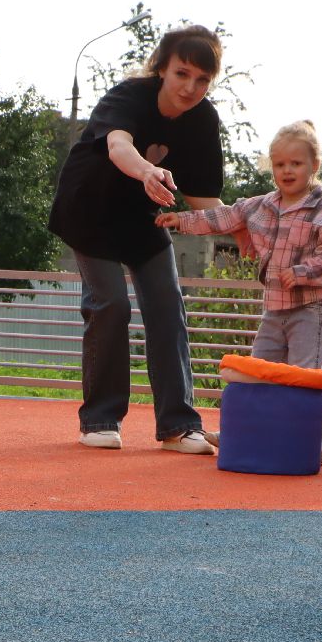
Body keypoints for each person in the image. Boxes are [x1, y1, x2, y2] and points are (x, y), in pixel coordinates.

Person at [49, 26, 227, 455]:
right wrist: (146, 171)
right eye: (182, 73)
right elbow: (117, 146)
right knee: (111, 303)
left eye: (202, 80)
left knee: (167, 304)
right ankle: (100, 419)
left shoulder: (203, 119)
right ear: (161, 69)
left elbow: (205, 198)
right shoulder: (129, 95)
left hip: (144, 220)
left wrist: (246, 228)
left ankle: (179, 426)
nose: (191, 87)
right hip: (89, 211)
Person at [156, 121, 322, 462]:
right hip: (274, 309)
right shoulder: (261, 205)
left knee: (307, 378)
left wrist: (304, 272)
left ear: (314, 165)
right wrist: (182, 221)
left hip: (311, 309)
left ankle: (312, 447)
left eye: (296, 163)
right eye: (279, 164)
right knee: (256, 373)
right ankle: (241, 433)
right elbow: (223, 217)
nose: (287, 171)